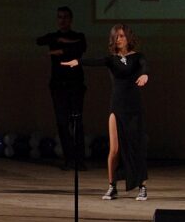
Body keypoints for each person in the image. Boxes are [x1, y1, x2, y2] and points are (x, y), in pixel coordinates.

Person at [61, 24, 149, 200]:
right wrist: (78, 61)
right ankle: (112, 186)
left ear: (128, 38)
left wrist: (145, 75)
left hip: (134, 106)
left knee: (136, 146)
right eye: (116, 37)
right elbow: (94, 61)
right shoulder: (111, 59)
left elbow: (145, 66)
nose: (119, 39)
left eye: (122, 36)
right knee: (114, 149)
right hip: (117, 105)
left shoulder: (138, 57)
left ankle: (142, 186)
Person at [36, 6, 87, 171]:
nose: (62, 20)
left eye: (65, 17)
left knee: (76, 122)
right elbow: (39, 41)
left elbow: (79, 49)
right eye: (60, 17)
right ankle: (69, 159)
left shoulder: (79, 36)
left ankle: (80, 160)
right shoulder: (53, 36)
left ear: (70, 19)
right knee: (62, 123)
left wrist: (60, 49)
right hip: (58, 86)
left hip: (75, 84)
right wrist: (61, 44)